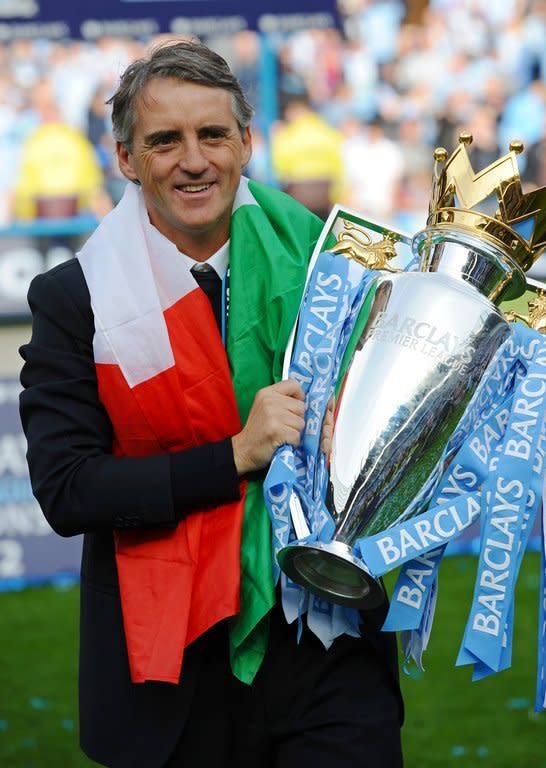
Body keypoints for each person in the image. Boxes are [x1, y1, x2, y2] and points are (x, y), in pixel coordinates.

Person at [19, 41, 403, 768]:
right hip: (172, 666)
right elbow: (69, 491)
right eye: (165, 141)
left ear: (246, 143)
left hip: (326, 640)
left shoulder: (333, 264)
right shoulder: (75, 298)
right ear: (127, 159)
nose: (193, 161)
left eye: (212, 135)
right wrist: (236, 455)